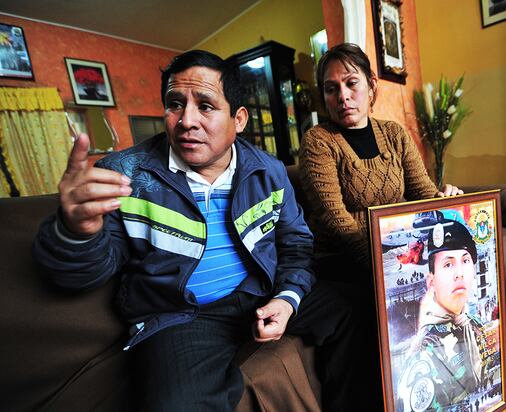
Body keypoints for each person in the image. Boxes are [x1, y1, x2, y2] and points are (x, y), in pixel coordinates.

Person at [32, 50, 355, 412]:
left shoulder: (269, 172)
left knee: (355, 309)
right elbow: (81, 276)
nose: (186, 120)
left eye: (205, 105)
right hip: (183, 315)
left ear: (239, 119)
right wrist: (77, 230)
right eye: (174, 104)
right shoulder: (125, 176)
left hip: (259, 293)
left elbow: (295, 244)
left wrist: (287, 298)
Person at [299, 42, 462, 276]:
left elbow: (423, 193)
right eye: (331, 89)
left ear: (371, 85)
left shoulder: (394, 134)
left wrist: (445, 201)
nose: (343, 96)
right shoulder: (318, 141)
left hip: (400, 256)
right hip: (343, 259)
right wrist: (384, 268)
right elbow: (336, 220)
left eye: (351, 83)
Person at [396, 219, 488, 412]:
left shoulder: (475, 326)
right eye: (448, 265)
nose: (459, 274)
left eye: (465, 261)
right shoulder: (425, 351)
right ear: (431, 282)